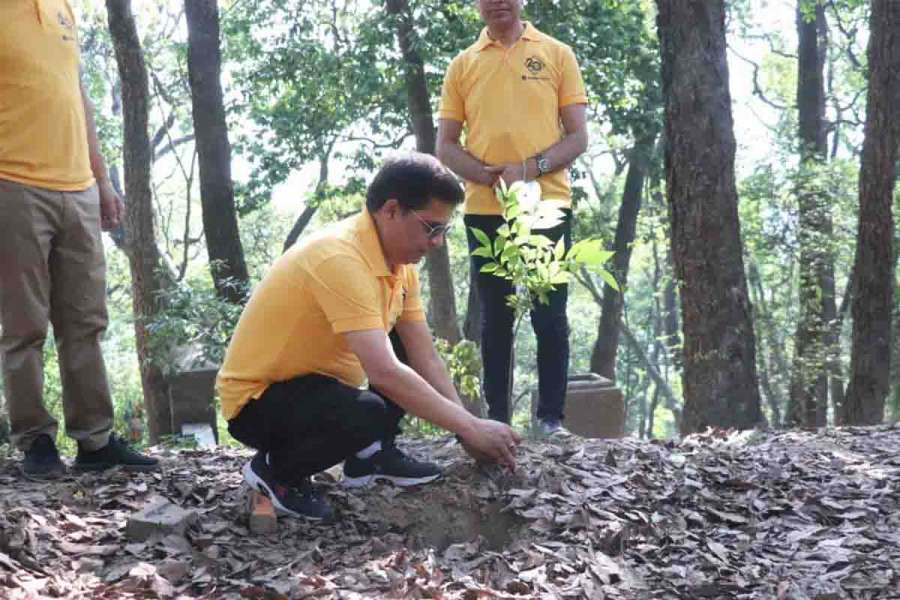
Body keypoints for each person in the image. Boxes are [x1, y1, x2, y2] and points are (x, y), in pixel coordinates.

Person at [217, 153, 521, 521]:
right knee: (366, 411)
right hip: (258, 402)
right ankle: (278, 471)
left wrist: (466, 432)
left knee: (402, 356)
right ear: (391, 210)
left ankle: (371, 455)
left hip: (317, 386)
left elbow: (424, 355)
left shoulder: (400, 265)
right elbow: (383, 374)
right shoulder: (339, 257)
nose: (438, 241)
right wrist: (471, 427)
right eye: (431, 228)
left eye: (444, 230)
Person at [0, 0, 159, 477]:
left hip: (78, 189)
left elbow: (79, 99)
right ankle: (36, 442)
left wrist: (103, 179)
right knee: (24, 324)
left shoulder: (63, 9)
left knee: (86, 321)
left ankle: (96, 440)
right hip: (13, 182)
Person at [436, 0, 589, 435]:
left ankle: (550, 420)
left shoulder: (557, 53)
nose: (498, 2)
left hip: (547, 203)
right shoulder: (463, 65)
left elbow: (578, 136)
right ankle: (497, 420)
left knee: (549, 311)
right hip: (485, 207)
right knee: (495, 316)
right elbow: (444, 146)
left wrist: (528, 170)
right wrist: (483, 175)